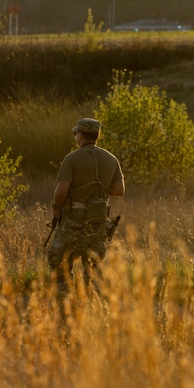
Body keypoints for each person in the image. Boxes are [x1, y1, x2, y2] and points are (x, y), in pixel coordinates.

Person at [47, 117, 125, 297]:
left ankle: (67, 310)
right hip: (98, 223)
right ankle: (94, 312)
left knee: (59, 262)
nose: (76, 137)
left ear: (81, 135)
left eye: (76, 134)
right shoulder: (111, 159)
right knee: (93, 267)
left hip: (73, 221)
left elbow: (60, 193)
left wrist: (57, 210)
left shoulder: (71, 159)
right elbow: (119, 190)